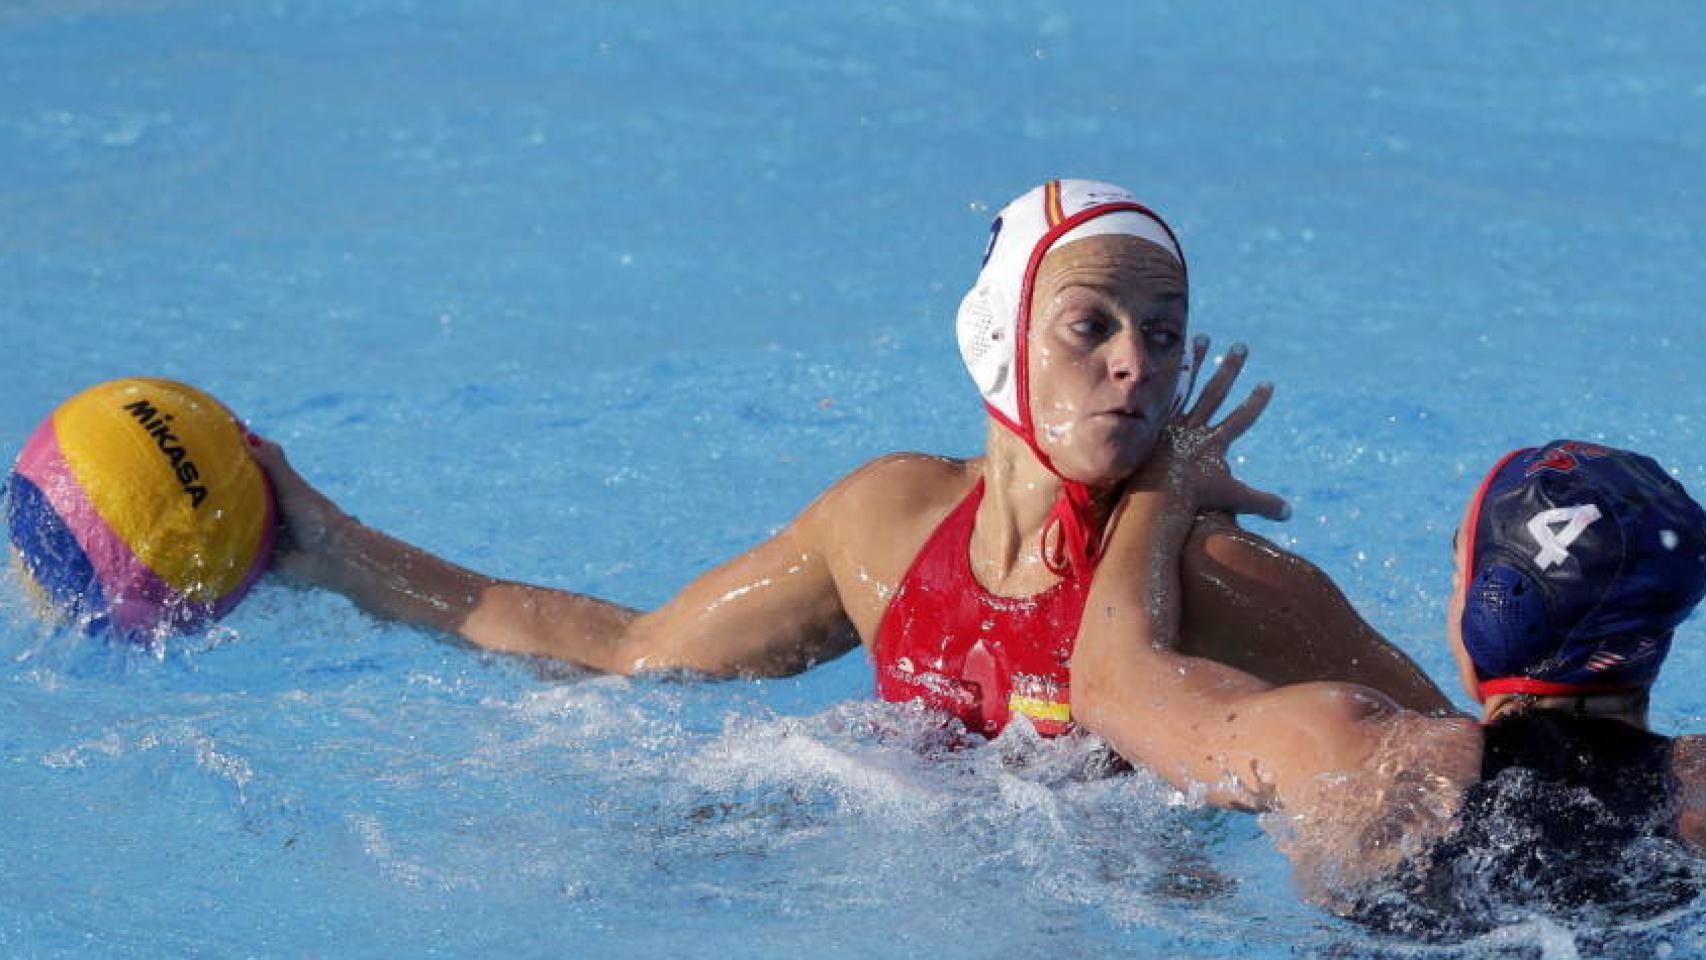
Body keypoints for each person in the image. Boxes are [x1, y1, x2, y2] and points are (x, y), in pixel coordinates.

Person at [254, 178, 1449, 738]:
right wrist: (328, 546)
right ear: (995, 342)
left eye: (1163, 332)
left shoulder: (1220, 587)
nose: (1136, 362)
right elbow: (630, 655)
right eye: (1091, 326)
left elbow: (1475, 776)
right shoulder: (885, 527)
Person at [1073, 371, 1706, 936]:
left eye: (1459, 567)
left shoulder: (1360, 752)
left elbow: (1111, 682)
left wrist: (1164, 481)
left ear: (1495, 607)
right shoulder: (1696, 789)